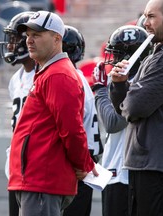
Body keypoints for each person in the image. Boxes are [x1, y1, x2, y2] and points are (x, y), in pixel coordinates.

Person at [9, 10, 98, 216]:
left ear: (57, 38)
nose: (29, 41)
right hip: (37, 179)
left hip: (43, 180)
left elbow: (72, 129)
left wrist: (83, 164)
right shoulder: (50, 71)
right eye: (28, 35)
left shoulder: (59, 74)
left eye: (37, 35)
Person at [109, 0, 163, 215]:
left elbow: (134, 109)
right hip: (150, 165)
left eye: (151, 17)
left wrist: (129, 93)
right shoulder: (160, 55)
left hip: (158, 167)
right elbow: (123, 109)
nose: (145, 23)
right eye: (145, 16)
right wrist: (120, 84)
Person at [91, 25, 152, 216]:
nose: (113, 60)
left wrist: (100, 90)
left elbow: (113, 122)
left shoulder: (137, 84)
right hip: (117, 171)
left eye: (117, 55)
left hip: (123, 173)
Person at [62, 25, 103, 216]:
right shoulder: (77, 77)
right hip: (84, 160)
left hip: (76, 165)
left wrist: (80, 162)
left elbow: (72, 128)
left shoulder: (68, 79)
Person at [0, 11, 36, 216]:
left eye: (14, 40)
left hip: (37, 164)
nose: (10, 45)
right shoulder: (17, 78)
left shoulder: (46, 74)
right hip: (17, 163)